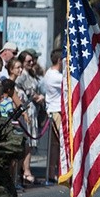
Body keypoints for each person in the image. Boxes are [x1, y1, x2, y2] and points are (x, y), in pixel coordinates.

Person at [15, 51, 45, 184]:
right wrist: (38, 97)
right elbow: (31, 93)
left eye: (32, 60)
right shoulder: (22, 76)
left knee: (30, 143)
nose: (31, 63)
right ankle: (25, 171)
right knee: (26, 143)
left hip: (33, 111)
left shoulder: (32, 74)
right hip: (26, 110)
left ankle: (26, 170)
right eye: (28, 61)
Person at [42, 49, 64, 182]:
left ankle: (54, 171)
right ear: (60, 60)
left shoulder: (50, 73)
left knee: (56, 144)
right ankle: (53, 172)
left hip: (56, 111)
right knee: (58, 144)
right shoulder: (55, 76)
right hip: (56, 112)